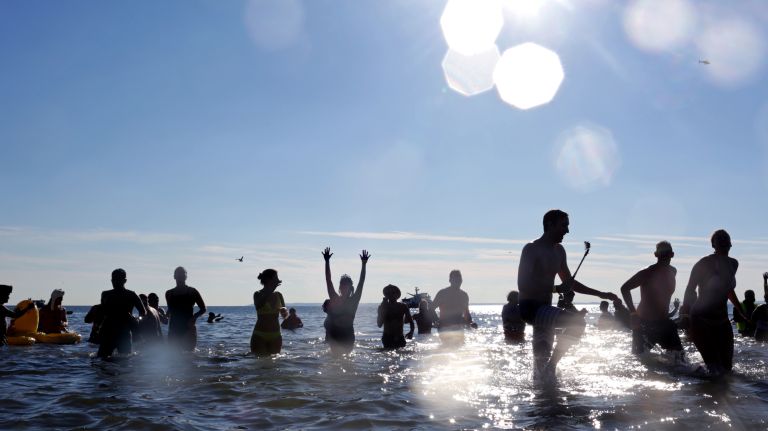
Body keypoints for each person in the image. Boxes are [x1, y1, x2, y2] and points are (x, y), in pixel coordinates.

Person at [517, 209, 619, 379]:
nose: (567, 230)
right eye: (564, 225)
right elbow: (523, 285)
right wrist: (556, 289)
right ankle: (551, 368)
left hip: (546, 311)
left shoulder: (560, 251)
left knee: (540, 363)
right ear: (549, 225)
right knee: (577, 323)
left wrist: (600, 294)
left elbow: (569, 283)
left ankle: (543, 393)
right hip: (530, 309)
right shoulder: (531, 249)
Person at [681, 230, 745, 376]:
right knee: (714, 369)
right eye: (719, 239)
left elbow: (728, 289)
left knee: (727, 369)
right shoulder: (704, 263)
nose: (723, 241)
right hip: (701, 319)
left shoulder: (733, 264)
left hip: (722, 320)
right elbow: (690, 289)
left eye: (725, 238)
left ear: (730, 244)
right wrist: (685, 315)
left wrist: (741, 310)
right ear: (713, 244)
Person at [620, 241, 685, 363]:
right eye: (661, 253)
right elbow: (625, 288)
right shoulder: (647, 272)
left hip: (664, 323)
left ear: (672, 254)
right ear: (655, 255)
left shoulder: (673, 271)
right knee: (638, 362)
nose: (664, 256)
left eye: (667, 253)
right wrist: (633, 314)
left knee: (680, 362)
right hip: (644, 324)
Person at [323, 247, 369, 354]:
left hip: (348, 335)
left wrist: (364, 264)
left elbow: (361, 282)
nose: (344, 287)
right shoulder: (334, 298)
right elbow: (328, 280)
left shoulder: (354, 300)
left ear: (350, 288)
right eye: (342, 285)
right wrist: (327, 261)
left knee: (347, 363)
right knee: (334, 362)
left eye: (346, 285)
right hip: (334, 335)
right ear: (339, 287)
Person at [98, 269, 146, 359]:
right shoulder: (105, 294)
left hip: (124, 334)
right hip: (108, 332)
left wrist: (135, 320)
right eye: (113, 279)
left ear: (124, 281)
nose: (115, 282)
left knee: (125, 360)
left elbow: (143, 312)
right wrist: (98, 329)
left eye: (118, 279)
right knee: (102, 360)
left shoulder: (131, 294)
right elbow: (102, 313)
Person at [165, 267, 206, 351]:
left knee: (189, 355)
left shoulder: (192, 291)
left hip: (188, 328)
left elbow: (203, 309)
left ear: (186, 277)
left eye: (182, 274)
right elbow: (170, 310)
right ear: (174, 276)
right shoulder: (169, 293)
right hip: (173, 329)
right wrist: (162, 315)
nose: (180, 276)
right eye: (178, 274)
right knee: (172, 355)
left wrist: (194, 318)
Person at [432, 270, 476, 345]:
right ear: (450, 280)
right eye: (455, 279)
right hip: (444, 328)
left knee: (459, 350)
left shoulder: (464, 295)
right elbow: (431, 308)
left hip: (459, 328)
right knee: (447, 349)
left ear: (461, 281)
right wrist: (436, 320)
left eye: (459, 279)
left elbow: (466, 313)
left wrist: (471, 323)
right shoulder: (442, 293)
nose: (458, 282)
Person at [250, 269, 287, 355]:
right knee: (259, 364)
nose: (278, 280)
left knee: (273, 365)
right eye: (276, 277)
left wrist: (284, 311)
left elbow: (285, 316)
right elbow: (259, 306)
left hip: (276, 335)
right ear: (268, 280)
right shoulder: (257, 294)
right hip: (259, 334)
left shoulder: (279, 295)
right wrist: (270, 290)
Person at [377, 284, 414, 349]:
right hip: (387, 337)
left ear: (397, 294)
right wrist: (383, 309)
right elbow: (379, 324)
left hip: (400, 337)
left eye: (393, 293)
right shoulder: (382, 307)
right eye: (388, 293)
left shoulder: (403, 306)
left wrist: (411, 332)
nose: (391, 295)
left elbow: (411, 321)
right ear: (386, 295)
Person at [752, 273, 768, 342]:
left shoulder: (760, 307)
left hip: (760, 330)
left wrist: (765, 280)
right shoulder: (760, 307)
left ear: (765, 299)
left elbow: (753, 318)